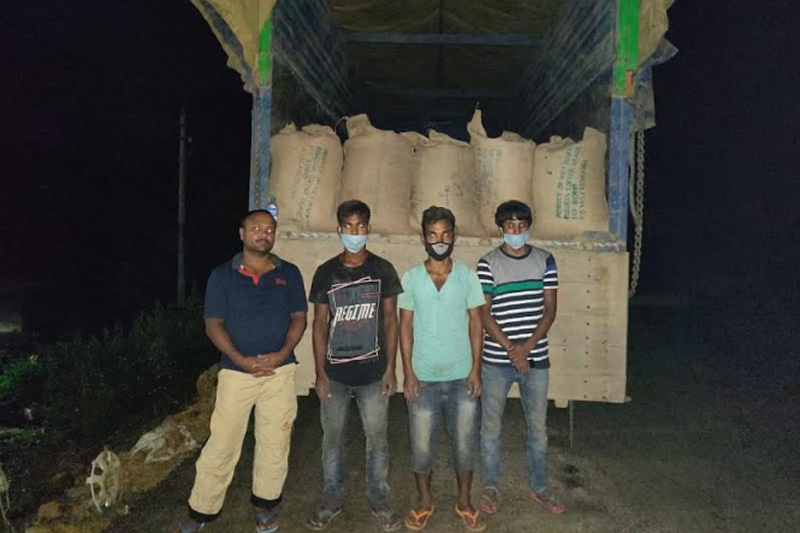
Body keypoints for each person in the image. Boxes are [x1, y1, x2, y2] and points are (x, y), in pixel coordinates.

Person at [176, 207, 308, 533]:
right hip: (236, 373)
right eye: (257, 228)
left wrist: (281, 354)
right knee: (222, 444)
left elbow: (299, 318)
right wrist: (241, 359)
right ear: (242, 234)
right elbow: (213, 324)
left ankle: (265, 505)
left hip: (279, 372)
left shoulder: (289, 273)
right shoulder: (222, 276)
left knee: (275, 442)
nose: (264, 234)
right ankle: (201, 510)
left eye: (269, 229)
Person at [305, 200, 403, 532]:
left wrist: (390, 369)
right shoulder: (326, 272)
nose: (355, 233)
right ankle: (332, 498)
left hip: (373, 374)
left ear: (368, 229)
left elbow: (391, 320)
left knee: (377, 440)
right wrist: (320, 373)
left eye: (360, 226)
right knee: (332, 440)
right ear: (339, 230)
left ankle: (379, 499)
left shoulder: (383, 269)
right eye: (348, 226)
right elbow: (319, 325)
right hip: (335, 375)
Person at [398, 206, 486, 532]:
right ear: (423, 238)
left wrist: (476, 370)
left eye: (445, 234)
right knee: (421, 447)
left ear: (454, 236)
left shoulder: (467, 277)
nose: (439, 240)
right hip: (423, 380)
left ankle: (464, 502)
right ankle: (424, 503)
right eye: (433, 234)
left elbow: (477, 324)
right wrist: (408, 373)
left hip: (462, 377)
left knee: (465, 445)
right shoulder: (411, 278)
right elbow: (404, 327)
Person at [476, 200, 565, 516]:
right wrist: (513, 350)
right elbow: (484, 314)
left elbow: (550, 310)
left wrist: (525, 348)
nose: (516, 231)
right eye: (509, 226)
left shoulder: (545, 260)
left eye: (521, 225)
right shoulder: (487, 264)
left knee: (538, 429)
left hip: (536, 359)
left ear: (529, 226)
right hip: (496, 361)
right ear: (500, 228)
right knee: (490, 428)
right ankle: (491, 488)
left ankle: (540, 487)